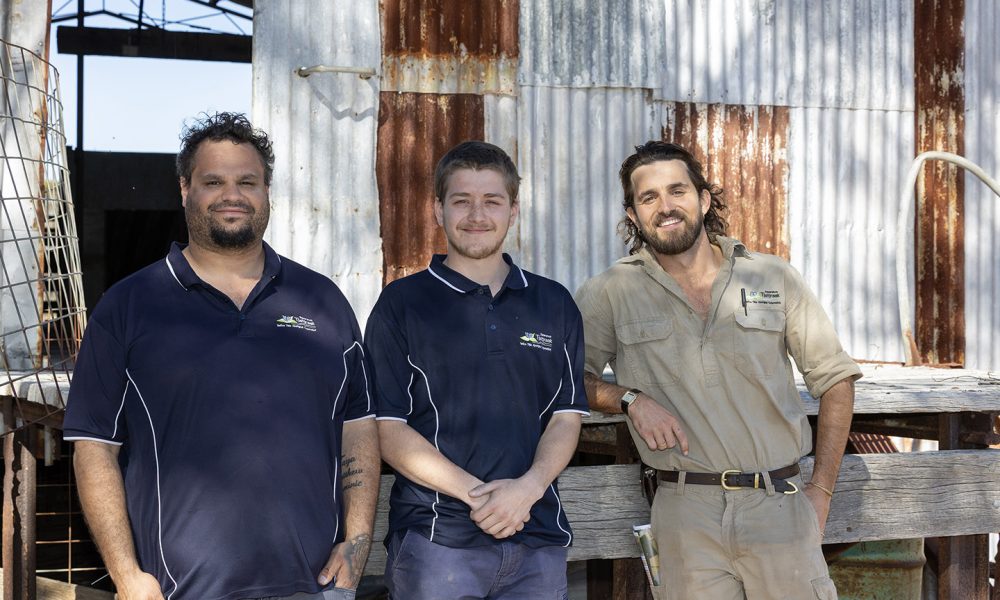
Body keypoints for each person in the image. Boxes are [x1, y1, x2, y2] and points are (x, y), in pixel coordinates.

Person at [63, 112, 379, 600]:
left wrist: (356, 543)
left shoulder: (322, 301)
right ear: (185, 189)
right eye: (214, 181)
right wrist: (127, 575)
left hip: (315, 589)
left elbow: (358, 426)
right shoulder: (130, 305)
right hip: (181, 591)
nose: (233, 195)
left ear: (267, 191)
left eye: (247, 181)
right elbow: (94, 447)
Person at [575, 141, 861, 599]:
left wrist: (821, 492)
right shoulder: (611, 291)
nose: (666, 207)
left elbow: (836, 380)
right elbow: (568, 379)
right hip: (685, 512)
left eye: (677, 191)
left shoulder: (772, 277)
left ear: (704, 199)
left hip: (779, 504)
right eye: (649, 198)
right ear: (633, 214)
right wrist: (629, 400)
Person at [366, 141, 587, 599]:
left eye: (492, 201)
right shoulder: (402, 304)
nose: (476, 215)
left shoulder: (554, 303)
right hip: (437, 542)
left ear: (514, 210)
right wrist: (482, 497)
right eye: (461, 201)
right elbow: (387, 427)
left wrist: (526, 491)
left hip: (537, 537)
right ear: (437, 209)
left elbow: (566, 416)